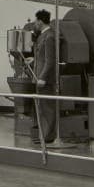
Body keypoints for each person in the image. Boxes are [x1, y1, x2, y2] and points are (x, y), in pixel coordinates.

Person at [32, 9, 58, 143]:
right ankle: (44, 135)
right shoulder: (43, 35)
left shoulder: (49, 37)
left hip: (45, 80)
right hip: (39, 78)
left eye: (36, 21)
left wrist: (42, 77)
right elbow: (42, 57)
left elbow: (50, 61)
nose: (34, 23)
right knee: (42, 108)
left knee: (47, 108)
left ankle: (48, 137)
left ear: (40, 21)